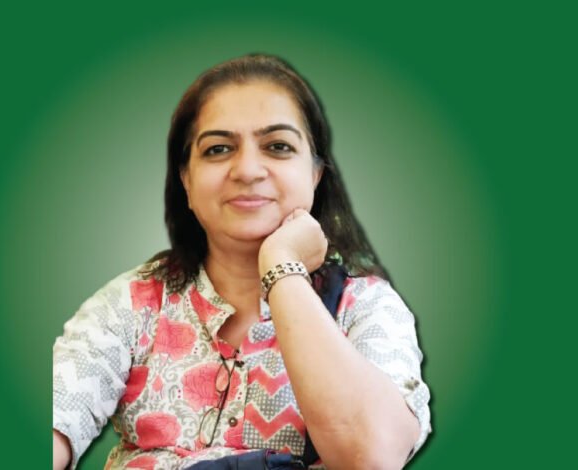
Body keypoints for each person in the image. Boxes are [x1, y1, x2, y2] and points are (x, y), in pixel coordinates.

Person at [53, 54, 431, 470]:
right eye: (218, 149)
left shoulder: (365, 307)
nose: (248, 170)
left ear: (316, 174)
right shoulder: (131, 304)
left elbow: (372, 457)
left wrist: (282, 266)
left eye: (278, 147)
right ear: (186, 180)